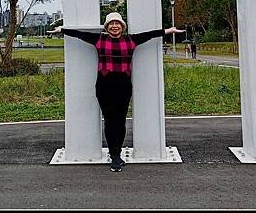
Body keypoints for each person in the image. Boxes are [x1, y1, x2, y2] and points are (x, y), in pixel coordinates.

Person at [48, 12, 181, 172]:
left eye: (117, 23)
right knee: (110, 121)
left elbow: (150, 35)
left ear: (122, 27)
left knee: (121, 121)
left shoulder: (130, 40)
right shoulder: (99, 39)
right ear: (106, 27)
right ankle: (115, 156)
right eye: (111, 24)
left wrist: (169, 30)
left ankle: (116, 152)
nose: (114, 26)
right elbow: (79, 35)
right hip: (104, 86)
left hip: (124, 86)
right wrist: (62, 29)